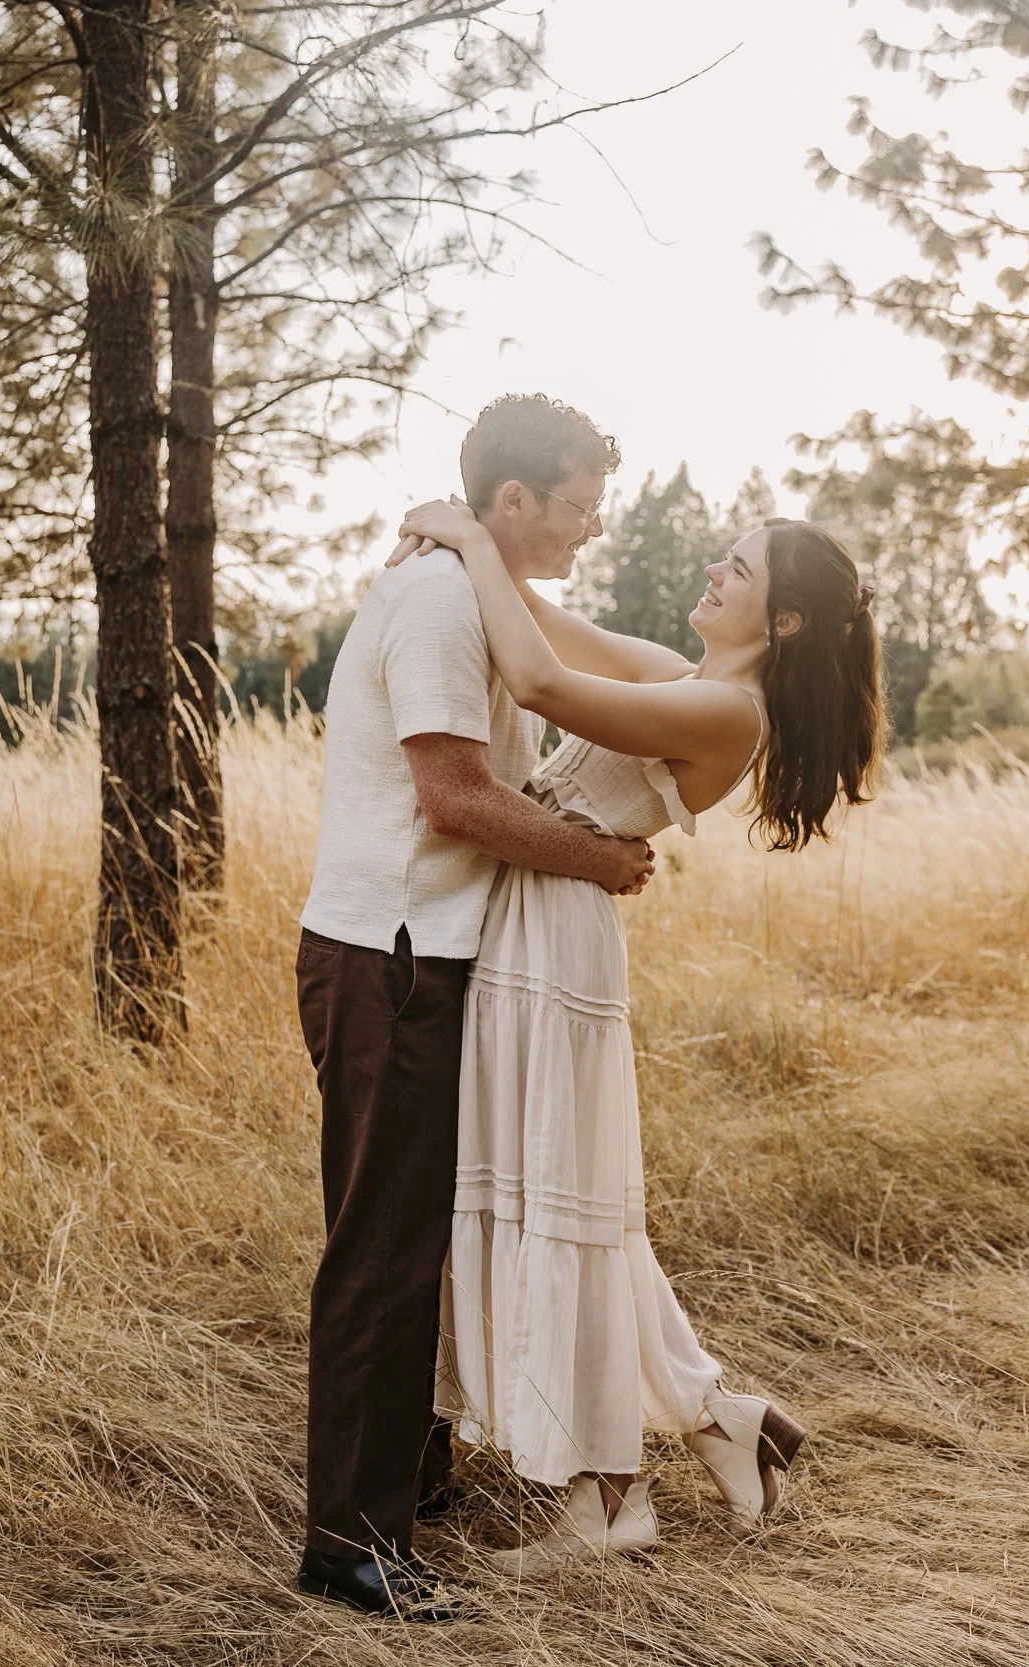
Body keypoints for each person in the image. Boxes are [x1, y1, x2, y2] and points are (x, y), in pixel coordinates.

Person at [390, 472, 884, 1573]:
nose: (713, 569)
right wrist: (463, 537)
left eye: (738, 568)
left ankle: (611, 1498)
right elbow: (543, 618)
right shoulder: (679, 673)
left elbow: (537, 677)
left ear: (784, 621)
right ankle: (719, 1420)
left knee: (557, 1208)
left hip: (557, 939)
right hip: (533, 918)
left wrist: (465, 530)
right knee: (557, 1203)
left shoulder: (727, 713)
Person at [292, 395, 656, 1621]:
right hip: (391, 959)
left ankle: (408, 1478)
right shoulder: (442, 602)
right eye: (576, 504)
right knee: (384, 1248)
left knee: (422, 1236)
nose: (590, 525)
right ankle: (352, 1545)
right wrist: (597, 858)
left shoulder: (468, 585)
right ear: (513, 500)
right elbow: (453, 795)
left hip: (416, 955)